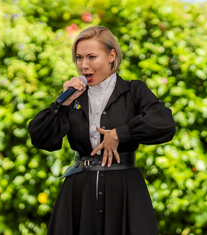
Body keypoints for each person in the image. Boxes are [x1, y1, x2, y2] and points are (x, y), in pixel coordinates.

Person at [28, 26, 175, 235]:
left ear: (111, 55)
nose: (84, 65)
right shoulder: (74, 97)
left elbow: (164, 123)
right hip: (78, 192)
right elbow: (40, 137)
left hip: (124, 191)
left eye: (91, 57)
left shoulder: (134, 91)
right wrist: (63, 105)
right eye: (79, 58)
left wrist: (120, 134)